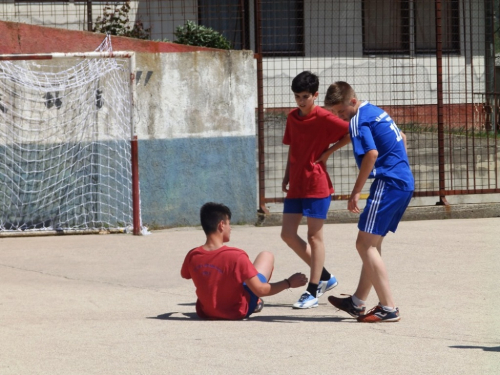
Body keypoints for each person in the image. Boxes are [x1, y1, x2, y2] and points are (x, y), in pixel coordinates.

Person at [323, 81, 414, 322]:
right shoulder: (373, 110)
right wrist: (330, 151)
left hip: (388, 183)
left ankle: (388, 308)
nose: (340, 117)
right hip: (403, 181)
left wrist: (356, 192)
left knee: (364, 245)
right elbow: (401, 137)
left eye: (341, 111)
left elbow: (371, 154)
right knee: (372, 245)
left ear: (352, 102)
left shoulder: (356, 119)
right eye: (335, 113)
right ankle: (357, 302)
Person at [281, 71, 350, 309]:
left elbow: (351, 132)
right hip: (297, 184)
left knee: (314, 237)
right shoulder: (292, 117)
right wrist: (287, 175)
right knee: (287, 234)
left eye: (305, 96)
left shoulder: (323, 117)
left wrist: (328, 152)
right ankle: (326, 277)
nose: (300, 101)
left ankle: (312, 291)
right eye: (297, 96)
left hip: (316, 184)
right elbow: (293, 148)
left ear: (315, 95)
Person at [181, 202, 308, 320]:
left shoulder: (193, 255)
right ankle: (255, 302)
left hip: (206, 312)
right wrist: (289, 282)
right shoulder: (236, 256)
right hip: (237, 311)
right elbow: (260, 290)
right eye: (229, 224)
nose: (230, 228)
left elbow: (185, 274)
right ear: (221, 225)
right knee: (266, 255)